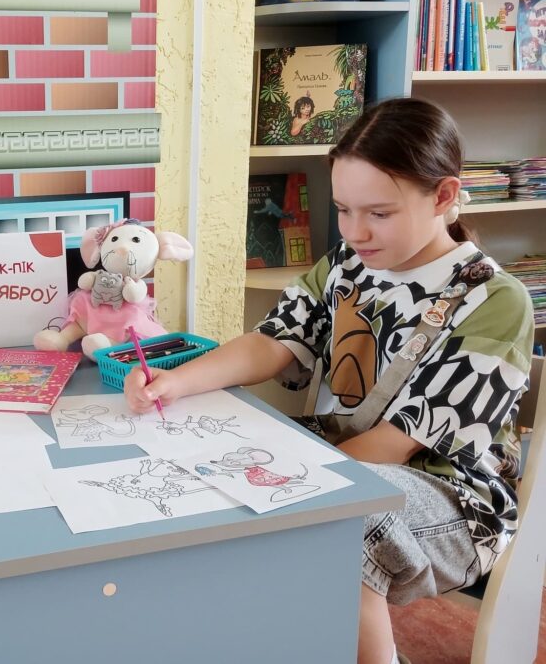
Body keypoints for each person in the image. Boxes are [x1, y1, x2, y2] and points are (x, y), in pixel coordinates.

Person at [125, 98, 533, 664]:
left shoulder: (495, 299)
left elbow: (400, 441)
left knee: (336, 524)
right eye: (343, 209)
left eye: (379, 213)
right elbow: (273, 340)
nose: (356, 230)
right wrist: (175, 382)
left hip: (455, 501)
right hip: (347, 458)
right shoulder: (350, 263)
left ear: (443, 196)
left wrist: (283, 478)